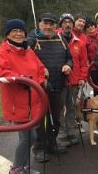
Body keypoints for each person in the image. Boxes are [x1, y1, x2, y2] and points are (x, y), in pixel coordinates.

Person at [0, 19, 46, 174]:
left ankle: (23, 167)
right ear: (8, 34)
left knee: (29, 136)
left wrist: (40, 81)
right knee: (27, 138)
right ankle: (16, 169)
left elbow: (40, 68)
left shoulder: (28, 50)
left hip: (32, 101)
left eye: (21, 31)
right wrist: (18, 78)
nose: (18, 34)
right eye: (14, 31)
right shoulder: (3, 51)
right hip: (17, 103)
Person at [28, 13, 73, 162]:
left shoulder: (61, 39)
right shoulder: (32, 41)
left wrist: (68, 65)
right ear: (39, 24)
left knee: (56, 117)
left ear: (55, 26)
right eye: (45, 23)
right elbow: (25, 59)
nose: (48, 27)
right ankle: (39, 148)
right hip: (40, 87)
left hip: (59, 85)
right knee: (41, 119)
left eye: (51, 24)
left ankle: (52, 143)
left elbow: (69, 57)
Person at [58, 13, 88, 147]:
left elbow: (83, 62)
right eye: (64, 22)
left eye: (70, 22)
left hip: (75, 81)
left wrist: (82, 77)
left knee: (71, 108)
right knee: (59, 108)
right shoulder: (55, 39)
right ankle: (61, 133)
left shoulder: (79, 42)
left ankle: (71, 131)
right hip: (58, 81)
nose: (67, 25)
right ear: (60, 25)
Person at [85, 19, 98, 96]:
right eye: (87, 27)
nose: (90, 27)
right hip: (94, 67)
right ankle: (97, 106)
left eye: (91, 25)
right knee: (96, 87)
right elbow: (85, 54)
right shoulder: (85, 39)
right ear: (86, 29)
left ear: (95, 26)